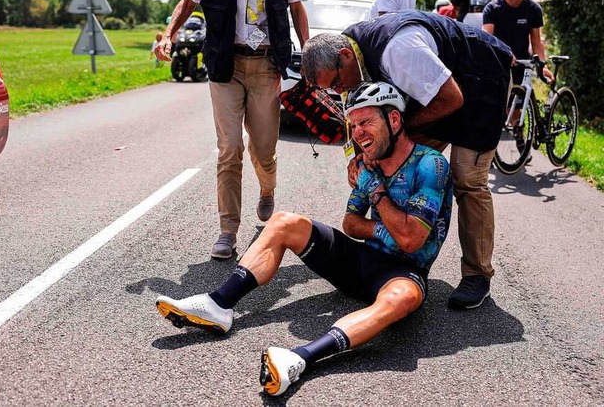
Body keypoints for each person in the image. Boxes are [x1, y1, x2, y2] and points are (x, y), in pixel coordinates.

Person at [155, 81, 453, 396]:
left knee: (402, 299)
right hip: (361, 262)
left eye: (366, 122)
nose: (358, 134)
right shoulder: (368, 160)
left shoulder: (430, 165)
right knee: (285, 222)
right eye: (354, 126)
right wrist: (380, 223)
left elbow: (410, 241)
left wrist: (375, 192)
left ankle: (298, 359)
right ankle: (218, 304)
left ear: (394, 121)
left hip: (403, 274)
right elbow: (350, 224)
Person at [301, 10, 513, 310]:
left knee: (467, 179)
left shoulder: (397, 51)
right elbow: (360, 112)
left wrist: (397, 133)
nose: (338, 91)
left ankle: (478, 275)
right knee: (387, 157)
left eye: (336, 83)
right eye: (329, 89)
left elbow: (452, 99)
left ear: (346, 56)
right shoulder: (347, 55)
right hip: (435, 94)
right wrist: (359, 154)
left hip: (480, 84)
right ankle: (396, 245)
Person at [154, 0, 309, 259]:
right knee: (229, 148)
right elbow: (188, 2)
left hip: (267, 64)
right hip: (226, 65)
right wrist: (169, 35)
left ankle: (266, 189)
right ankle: (227, 231)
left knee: (264, 150)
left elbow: (296, 8)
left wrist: (307, 50)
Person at [483, 0, 554, 85]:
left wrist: (542, 66)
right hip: (499, 63)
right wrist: (505, 52)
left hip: (522, 64)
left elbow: (536, 42)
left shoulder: (533, 9)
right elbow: (486, 38)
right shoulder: (492, 9)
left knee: (524, 98)